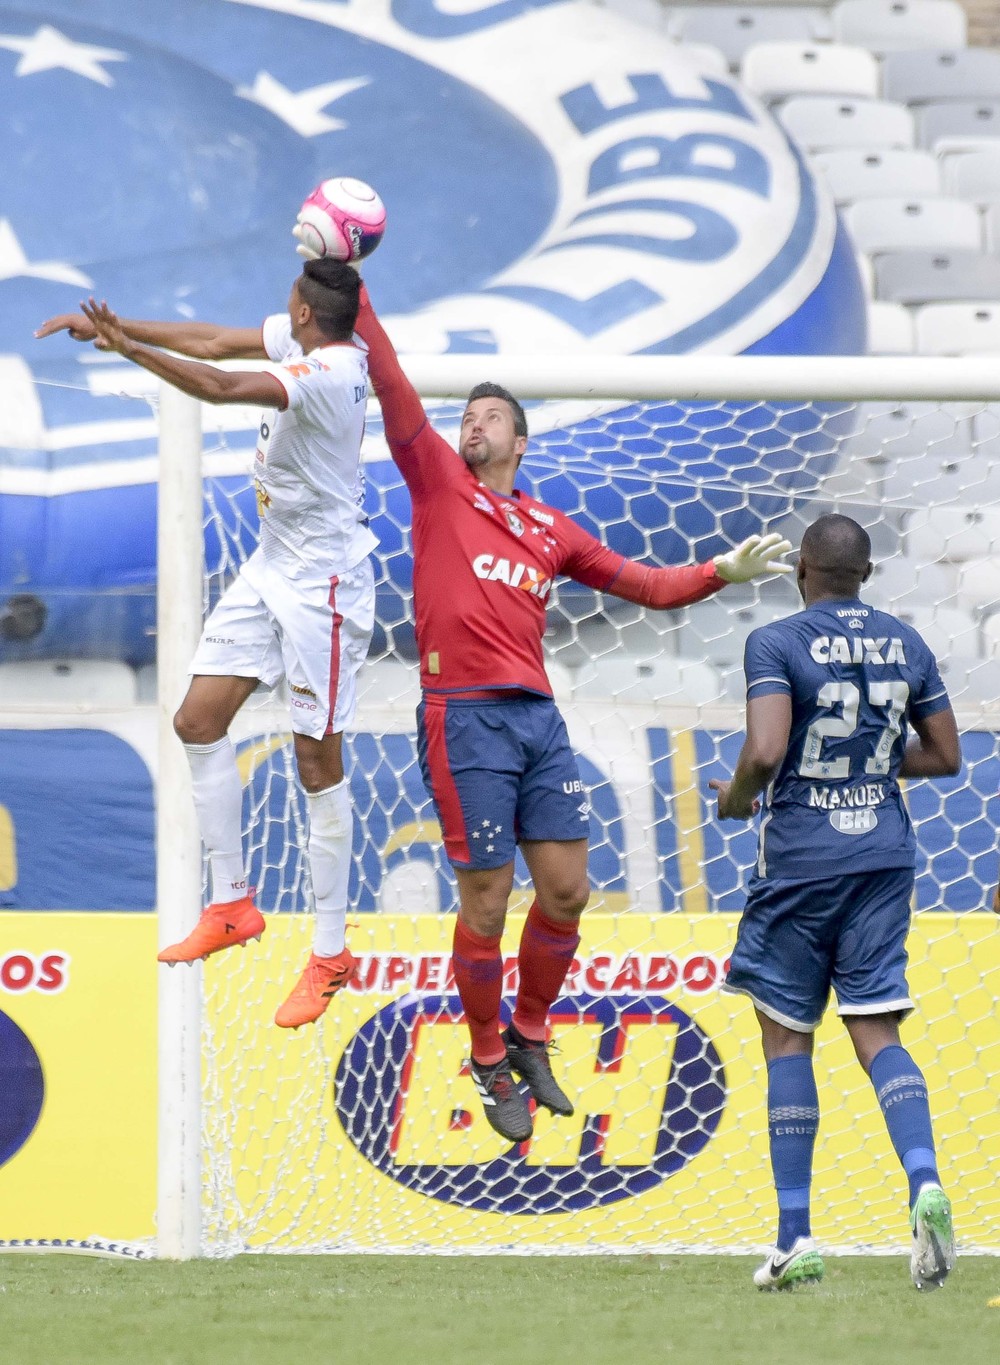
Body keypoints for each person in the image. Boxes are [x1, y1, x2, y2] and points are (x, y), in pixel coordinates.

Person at [350, 277, 793, 1144]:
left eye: (488, 416)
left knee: (568, 889)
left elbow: (650, 587)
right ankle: (485, 1053)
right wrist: (355, 292)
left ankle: (528, 1030)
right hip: (463, 714)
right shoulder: (437, 483)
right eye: (466, 415)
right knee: (486, 903)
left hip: (536, 720)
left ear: (520, 438)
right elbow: (395, 383)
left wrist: (722, 572)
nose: (470, 424)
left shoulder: (552, 529)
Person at [37, 260, 375, 1030]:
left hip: (325, 583)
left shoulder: (329, 373)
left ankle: (330, 952)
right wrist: (117, 324)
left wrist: (127, 349)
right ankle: (231, 903)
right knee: (197, 719)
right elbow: (214, 342)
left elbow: (220, 387)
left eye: (288, 292)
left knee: (316, 760)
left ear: (303, 311)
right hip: (273, 565)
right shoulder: (306, 339)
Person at [710, 513, 961, 1293]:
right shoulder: (908, 643)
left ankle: (794, 1236)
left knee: (787, 1038)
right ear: (867, 573)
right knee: (877, 1025)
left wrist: (736, 800)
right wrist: (875, 765)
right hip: (884, 851)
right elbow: (948, 754)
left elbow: (764, 749)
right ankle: (924, 1181)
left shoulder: (777, 643)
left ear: (802, 571)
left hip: (803, 860)